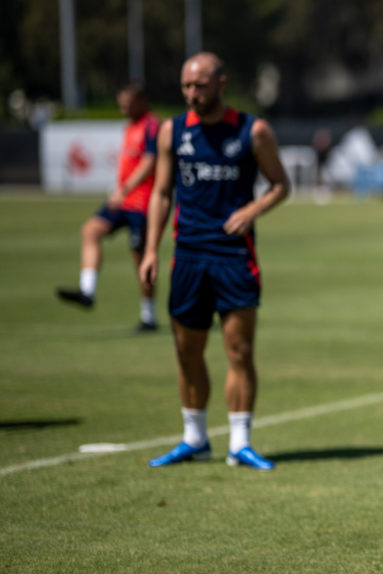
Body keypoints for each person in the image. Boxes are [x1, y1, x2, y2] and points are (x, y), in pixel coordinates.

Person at [139, 52, 290, 469]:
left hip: (234, 256)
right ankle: (194, 437)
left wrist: (252, 211)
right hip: (188, 255)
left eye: (200, 85)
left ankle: (240, 443)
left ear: (221, 83)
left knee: (239, 350)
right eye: (186, 86)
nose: (192, 94)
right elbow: (163, 193)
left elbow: (281, 185)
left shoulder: (252, 131)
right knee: (187, 352)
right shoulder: (172, 131)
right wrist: (151, 249)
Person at [57, 83, 161, 331]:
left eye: (128, 102)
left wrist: (124, 188)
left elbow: (150, 161)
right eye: (121, 102)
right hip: (122, 201)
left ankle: (149, 316)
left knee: (141, 260)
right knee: (90, 231)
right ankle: (87, 290)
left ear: (142, 101)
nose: (123, 107)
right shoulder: (130, 127)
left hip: (143, 203)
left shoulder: (152, 125)